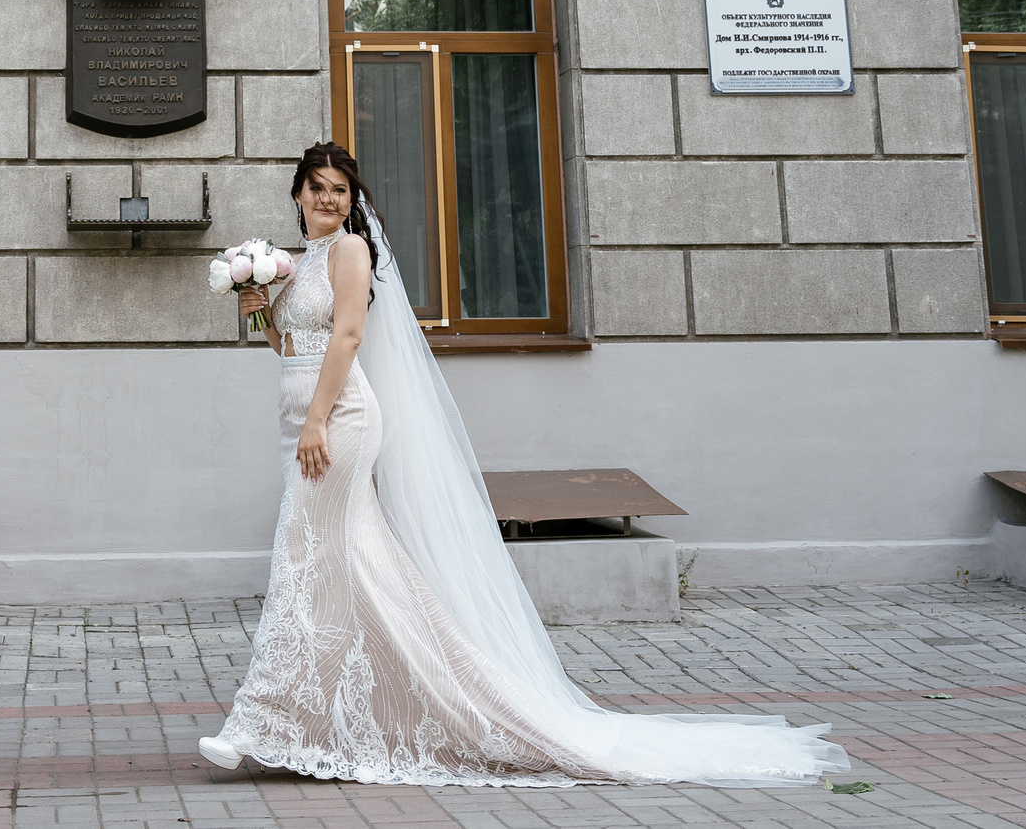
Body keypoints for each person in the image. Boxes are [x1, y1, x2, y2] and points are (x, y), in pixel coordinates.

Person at [200, 141, 851, 789]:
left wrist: (318, 420)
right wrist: (258, 311)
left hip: (336, 420)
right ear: (297, 194)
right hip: (301, 417)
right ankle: (346, 716)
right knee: (348, 567)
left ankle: (259, 722)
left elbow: (346, 337)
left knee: (304, 558)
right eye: (317, 187)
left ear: (352, 200)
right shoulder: (298, 263)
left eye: (339, 189)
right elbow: (294, 347)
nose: (327, 198)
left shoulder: (349, 250)